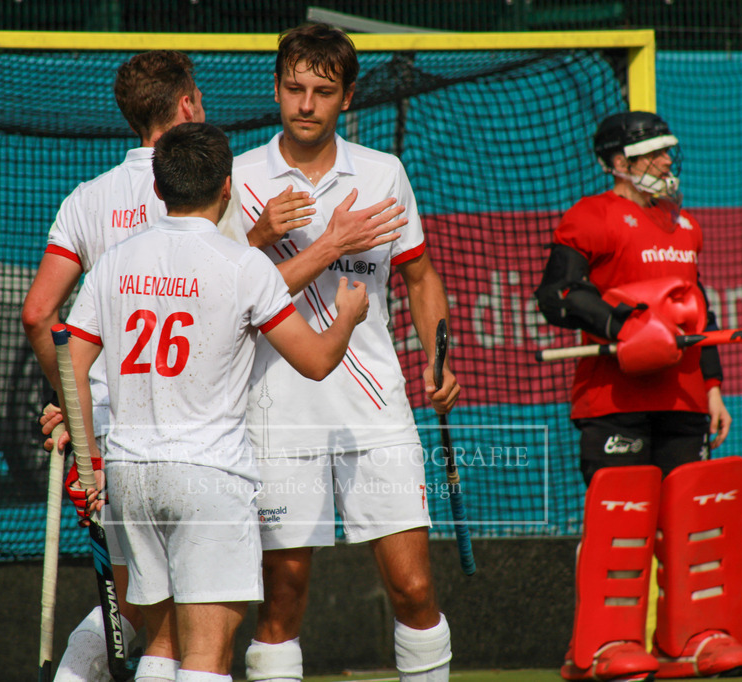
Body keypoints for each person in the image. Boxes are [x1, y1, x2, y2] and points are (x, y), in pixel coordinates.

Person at [64, 121, 369, 682]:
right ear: (227, 187)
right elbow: (317, 361)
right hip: (209, 474)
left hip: (131, 470)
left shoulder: (115, 259)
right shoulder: (242, 264)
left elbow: (72, 362)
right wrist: (347, 317)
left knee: (161, 643)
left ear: (158, 189)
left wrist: (88, 460)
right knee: (205, 654)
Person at [221, 22, 461, 682]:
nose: (305, 104)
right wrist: (259, 236)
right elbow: (219, 298)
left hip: (375, 409)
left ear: (347, 98)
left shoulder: (385, 174)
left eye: (322, 91)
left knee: (414, 592)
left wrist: (439, 355)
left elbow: (420, 276)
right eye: (294, 88)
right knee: (282, 605)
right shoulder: (237, 182)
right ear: (275, 89)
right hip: (275, 414)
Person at [21, 50, 223, 682]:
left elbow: (37, 314)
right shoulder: (215, 183)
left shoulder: (89, 198)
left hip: (109, 430)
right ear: (187, 104)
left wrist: (73, 404)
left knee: (143, 600)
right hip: (193, 424)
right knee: (191, 611)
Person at [535, 111, 742, 680]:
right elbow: (557, 294)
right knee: (621, 525)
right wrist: (622, 328)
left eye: (667, 152)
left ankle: (694, 639)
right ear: (617, 163)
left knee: (691, 525)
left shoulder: (685, 227)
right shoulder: (591, 216)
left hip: (683, 401)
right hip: (613, 401)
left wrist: (712, 387)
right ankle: (602, 647)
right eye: (653, 153)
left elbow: (696, 309)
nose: (666, 162)